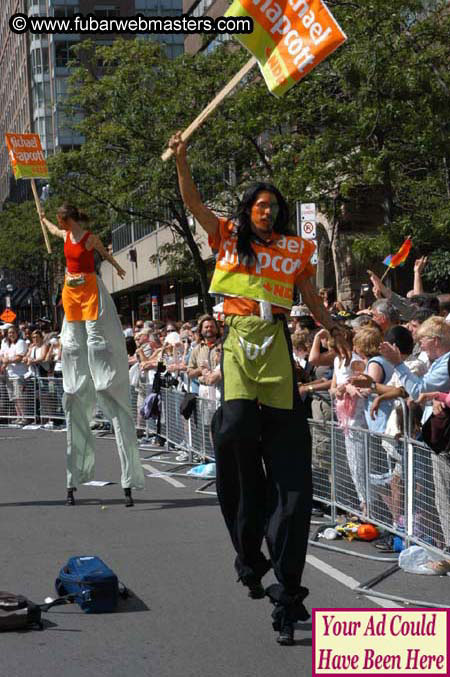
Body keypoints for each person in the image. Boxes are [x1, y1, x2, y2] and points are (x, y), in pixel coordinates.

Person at [169, 131, 350, 645]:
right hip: (237, 344)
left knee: (293, 486)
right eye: (261, 205)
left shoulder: (296, 249)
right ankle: (249, 552)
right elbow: (193, 203)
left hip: (275, 348)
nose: (268, 212)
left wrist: (333, 327)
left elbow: (312, 298)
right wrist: (182, 158)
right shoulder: (227, 236)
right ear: (248, 210)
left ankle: (288, 591)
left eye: (275, 207)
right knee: (235, 437)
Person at [40, 204, 145, 507]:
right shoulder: (63, 235)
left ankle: (102, 377)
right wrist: (42, 219)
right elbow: (52, 230)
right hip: (71, 292)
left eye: (60, 219)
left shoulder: (88, 237)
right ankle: (76, 475)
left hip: (89, 288)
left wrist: (118, 266)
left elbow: (104, 254)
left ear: (69, 218)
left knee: (97, 342)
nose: (60, 223)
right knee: (73, 346)